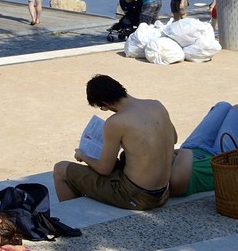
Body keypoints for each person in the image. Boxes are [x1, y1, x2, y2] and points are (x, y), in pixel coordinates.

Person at [53, 74, 176, 211]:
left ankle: (73, 217)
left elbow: (104, 169)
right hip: (163, 192)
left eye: (102, 108)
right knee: (124, 157)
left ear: (106, 103)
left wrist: (83, 156)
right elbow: (174, 138)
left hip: (137, 196)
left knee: (60, 169)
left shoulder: (116, 122)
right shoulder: (156, 105)